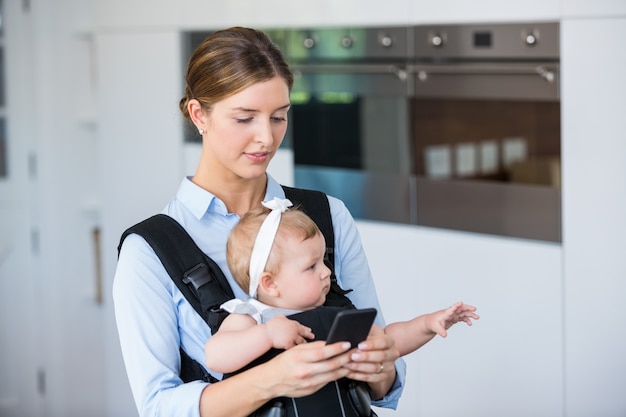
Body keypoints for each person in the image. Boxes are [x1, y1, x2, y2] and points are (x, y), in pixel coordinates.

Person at [112, 26, 406, 417]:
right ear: (199, 115)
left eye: (279, 117)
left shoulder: (327, 216)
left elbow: (386, 384)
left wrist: (380, 365)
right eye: (245, 118)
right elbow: (157, 407)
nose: (266, 138)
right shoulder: (149, 251)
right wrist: (274, 379)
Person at [205, 199, 479, 388]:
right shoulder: (253, 317)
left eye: (323, 260)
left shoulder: (335, 316)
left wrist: (428, 324)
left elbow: (385, 342)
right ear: (270, 283)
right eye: (311, 266)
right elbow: (216, 356)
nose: (326, 272)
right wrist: (266, 335)